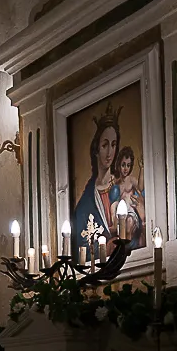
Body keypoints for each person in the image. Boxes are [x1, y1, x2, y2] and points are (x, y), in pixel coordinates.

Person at [72, 101, 123, 254]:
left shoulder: (123, 185)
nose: (110, 152)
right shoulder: (87, 200)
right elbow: (80, 246)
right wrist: (104, 249)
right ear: (96, 149)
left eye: (113, 145)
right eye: (105, 145)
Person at [108, 146, 145, 250]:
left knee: (129, 222)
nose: (125, 168)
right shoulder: (117, 184)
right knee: (122, 224)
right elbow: (114, 202)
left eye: (128, 165)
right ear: (119, 165)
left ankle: (127, 247)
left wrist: (142, 169)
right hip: (122, 215)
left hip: (132, 212)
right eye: (123, 165)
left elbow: (140, 188)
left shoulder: (131, 180)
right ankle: (123, 246)